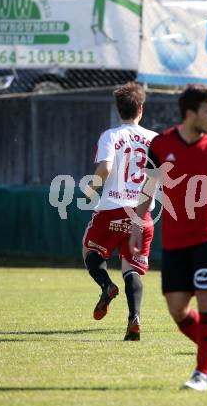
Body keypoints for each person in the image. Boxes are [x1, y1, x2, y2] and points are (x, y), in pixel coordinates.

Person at [129, 84, 207, 391]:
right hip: (174, 241)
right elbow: (149, 186)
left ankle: (201, 371)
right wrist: (136, 223)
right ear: (190, 113)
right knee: (177, 309)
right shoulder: (161, 144)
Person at [82, 82, 157, 341]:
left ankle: (106, 285)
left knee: (90, 251)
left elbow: (104, 168)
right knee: (132, 269)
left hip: (112, 208)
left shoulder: (111, 135)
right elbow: (160, 177)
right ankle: (134, 317)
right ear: (141, 109)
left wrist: (91, 189)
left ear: (119, 110)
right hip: (142, 213)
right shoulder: (154, 138)